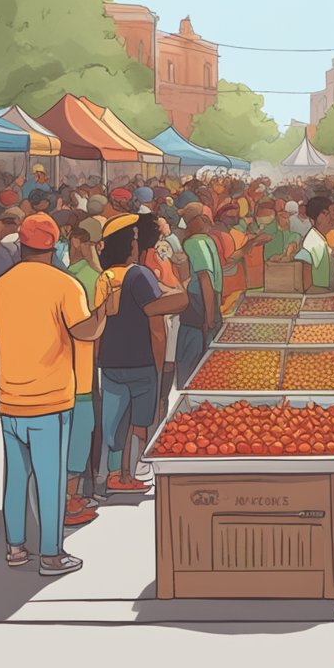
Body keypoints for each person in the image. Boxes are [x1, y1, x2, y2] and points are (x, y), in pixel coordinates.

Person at [0, 212, 116, 575]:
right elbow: (86, 332)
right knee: (50, 479)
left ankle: (15, 547)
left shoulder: (2, 285)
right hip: (51, 398)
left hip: (11, 397)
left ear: (22, 245)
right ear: (53, 245)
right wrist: (104, 309)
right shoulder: (65, 285)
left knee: (15, 477)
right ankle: (51, 554)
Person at [97, 214, 188, 494]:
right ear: (128, 246)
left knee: (114, 419)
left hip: (111, 360)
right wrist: (183, 292)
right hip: (140, 359)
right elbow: (153, 309)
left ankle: (111, 473)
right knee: (140, 418)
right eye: (134, 240)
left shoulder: (106, 277)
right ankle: (129, 473)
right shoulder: (139, 274)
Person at [177, 203, 221, 386]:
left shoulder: (194, 243)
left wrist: (208, 318)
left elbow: (205, 279)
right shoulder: (207, 241)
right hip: (208, 306)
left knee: (190, 368)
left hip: (198, 309)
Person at [295, 196, 334, 292]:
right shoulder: (311, 243)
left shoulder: (323, 240)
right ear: (313, 219)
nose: (331, 217)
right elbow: (307, 286)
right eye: (325, 214)